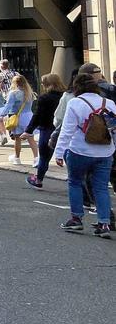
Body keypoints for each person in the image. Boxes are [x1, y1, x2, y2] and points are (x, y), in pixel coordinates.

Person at [55, 70, 115, 238]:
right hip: (105, 151)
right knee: (101, 187)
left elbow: (67, 130)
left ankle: (76, 219)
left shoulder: (75, 103)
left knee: (75, 182)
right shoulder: (108, 103)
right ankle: (104, 223)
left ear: (77, 87)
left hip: (80, 150)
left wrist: (59, 153)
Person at [29, 74, 64, 189]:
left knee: (44, 158)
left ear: (48, 84)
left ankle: (38, 180)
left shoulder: (44, 98)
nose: (42, 85)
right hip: (63, 130)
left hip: (47, 129)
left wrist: (29, 130)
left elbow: (37, 115)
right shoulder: (65, 96)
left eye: (43, 83)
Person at [5, 75, 38, 167]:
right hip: (29, 116)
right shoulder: (30, 93)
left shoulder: (13, 93)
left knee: (17, 138)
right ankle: (36, 158)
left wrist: (2, 114)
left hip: (18, 117)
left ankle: (17, 158)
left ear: (15, 83)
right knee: (31, 138)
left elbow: (8, 105)